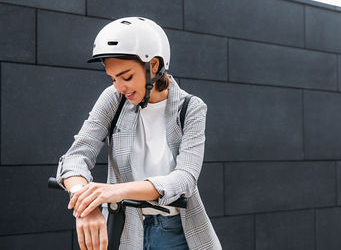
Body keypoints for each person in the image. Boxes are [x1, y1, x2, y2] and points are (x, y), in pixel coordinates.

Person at [56, 17, 221, 250]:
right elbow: (75, 157)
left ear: (153, 65)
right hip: (127, 229)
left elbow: (184, 179)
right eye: (112, 79)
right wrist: (86, 202)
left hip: (177, 231)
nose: (119, 87)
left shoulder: (191, 107)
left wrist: (111, 192)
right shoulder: (113, 99)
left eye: (126, 77)